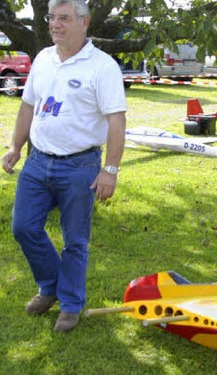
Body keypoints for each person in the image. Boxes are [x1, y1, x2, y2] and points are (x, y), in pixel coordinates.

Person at [1, 0, 127, 332]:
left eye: (64, 18)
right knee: (23, 228)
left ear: (84, 23)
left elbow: (117, 120)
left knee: (75, 240)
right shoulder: (43, 58)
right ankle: (51, 286)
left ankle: (70, 304)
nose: (55, 24)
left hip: (80, 166)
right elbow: (28, 106)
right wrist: (16, 146)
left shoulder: (103, 66)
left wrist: (110, 170)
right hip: (37, 160)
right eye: (51, 18)